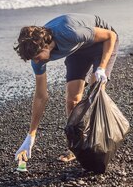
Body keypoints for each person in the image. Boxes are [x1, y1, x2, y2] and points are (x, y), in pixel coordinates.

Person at [13, 13, 119, 171]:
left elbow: (110, 36)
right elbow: (41, 97)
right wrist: (31, 135)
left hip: (102, 43)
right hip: (78, 50)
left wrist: (101, 68)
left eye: (37, 57)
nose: (36, 61)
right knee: (73, 101)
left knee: (94, 95)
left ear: (46, 45)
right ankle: (76, 147)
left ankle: (98, 144)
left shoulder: (69, 33)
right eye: (32, 59)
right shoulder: (38, 59)